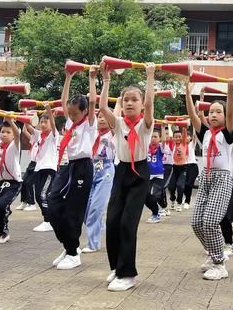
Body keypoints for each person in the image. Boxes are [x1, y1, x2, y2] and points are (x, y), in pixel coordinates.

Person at [99, 61, 155, 292]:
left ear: (141, 104)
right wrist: (107, 80)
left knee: (127, 224)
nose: (130, 103)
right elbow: (102, 107)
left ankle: (128, 274)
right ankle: (117, 268)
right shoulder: (119, 123)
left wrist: (150, 76)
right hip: (121, 172)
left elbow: (151, 105)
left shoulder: (146, 124)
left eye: (135, 99)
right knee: (112, 221)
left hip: (140, 174)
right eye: (126, 100)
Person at [185, 78, 233, 281]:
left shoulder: (228, 134)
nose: (213, 115)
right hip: (205, 179)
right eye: (211, 112)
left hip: (222, 179)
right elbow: (191, 115)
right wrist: (188, 94)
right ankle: (215, 253)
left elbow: (232, 114)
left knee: (211, 221)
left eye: (218, 112)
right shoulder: (205, 133)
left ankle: (219, 264)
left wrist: (230, 93)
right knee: (197, 222)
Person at [48, 66, 97, 270]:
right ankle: (69, 246)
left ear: (84, 111)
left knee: (73, 212)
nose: (72, 116)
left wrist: (92, 78)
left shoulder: (89, 123)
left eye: (76, 113)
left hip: (83, 168)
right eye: (70, 113)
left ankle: (73, 252)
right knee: (52, 203)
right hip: (68, 166)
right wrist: (68, 78)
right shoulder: (70, 122)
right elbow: (63, 101)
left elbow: (93, 101)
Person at [82, 104, 119, 252]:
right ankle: (98, 224)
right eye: (99, 116)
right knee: (85, 209)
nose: (102, 119)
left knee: (95, 208)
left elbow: (114, 119)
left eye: (105, 116)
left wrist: (119, 102)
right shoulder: (93, 133)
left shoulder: (112, 133)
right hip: (91, 168)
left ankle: (93, 243)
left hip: (106, 170)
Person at [29, 105, 58, 232]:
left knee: (43, 194)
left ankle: (49, 221)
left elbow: (52, 123)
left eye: (45, 122)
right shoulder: (39, 135)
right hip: (39, 168)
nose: (43, 124)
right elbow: (28, 126)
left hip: (49, 168)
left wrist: (49, 113)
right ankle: (49, 218)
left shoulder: (53, 135)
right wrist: (28, 114)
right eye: (41, 122)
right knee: (37, 196)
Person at [145, 129, 168, 224]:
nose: (153, 139)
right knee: (145, 196)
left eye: (155, 137)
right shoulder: (146, 146)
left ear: (159, 138)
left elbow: (164, 141)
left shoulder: (161, 147)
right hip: (147, 174)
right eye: (151, 136)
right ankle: (156, 211)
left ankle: (156, 214)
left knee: (156, 195)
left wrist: (163, 127)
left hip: (158, 174)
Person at [169, 128, 188, 212]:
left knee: (180, 186)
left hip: (183, 168)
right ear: (173, 138)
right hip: (174, 168)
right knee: (171, 187)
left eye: (179, 137)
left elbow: (184, 133)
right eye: (176, 137)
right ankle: (172, 199)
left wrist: (184, 127)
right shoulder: (172, 145)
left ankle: (179, 203)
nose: (178, 138)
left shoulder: (184, 144)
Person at [184, 133, 199, 209]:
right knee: (184, 185)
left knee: (189, 184)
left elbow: (195, 136)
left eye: (188, 136)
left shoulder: (191, 144)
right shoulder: (181, 145)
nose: (186, 137)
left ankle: (187, 201)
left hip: (193, 166)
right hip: (184, 166)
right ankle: (187, 197)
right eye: (185, 136)